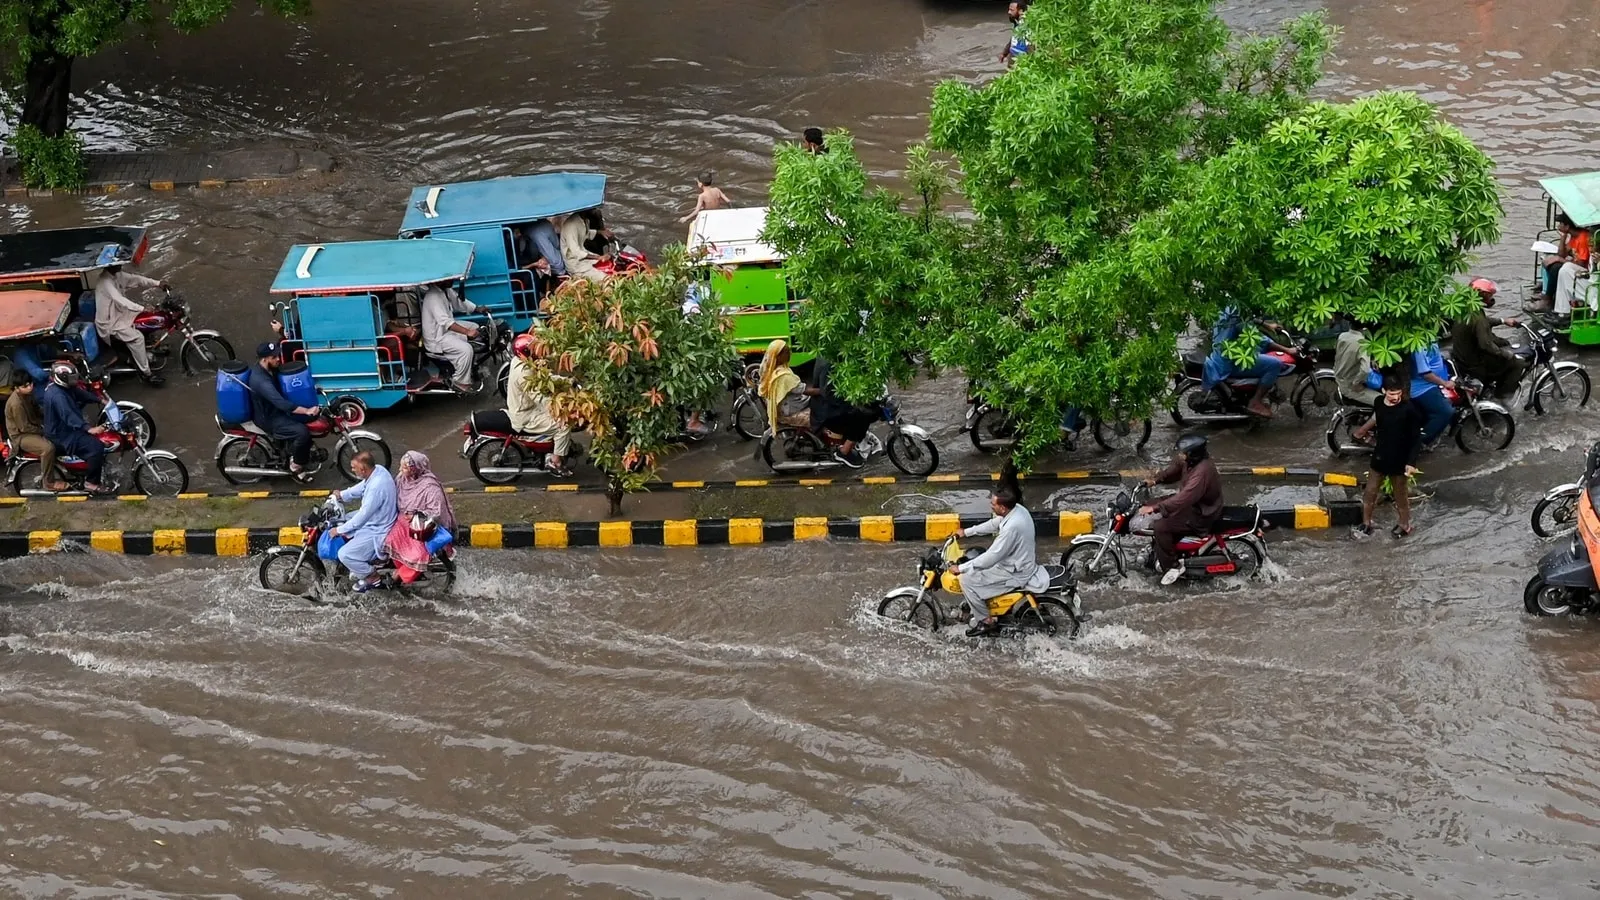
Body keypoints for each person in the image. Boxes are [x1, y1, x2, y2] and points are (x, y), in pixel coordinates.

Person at [951, 484, 1049, 636]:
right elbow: (994, 524)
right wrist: (966, 532)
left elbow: (991, 557)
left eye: (993, 504)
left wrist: (962, 568)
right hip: (1018, 562)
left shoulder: (1012, 528)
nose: (990, 506)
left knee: (967, 580)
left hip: (1014, 572)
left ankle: (986, 621)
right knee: (976, 567)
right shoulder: (1017, 510)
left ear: (1002, 508)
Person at [471, 333, 574, 475]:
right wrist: (562, 405)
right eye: (532, 350)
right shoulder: (524, 374)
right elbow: (540, 397)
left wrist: (566, 381)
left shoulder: (520, 361)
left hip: (527, 408)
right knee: (564, 425)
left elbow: (544, 378)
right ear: (526, 352)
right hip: (526, 416)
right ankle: (555, 462)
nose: (536, 352)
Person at [1141, 434, 1224, 585]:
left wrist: (1156, 508)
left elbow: (1184, 498)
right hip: (1194, 504)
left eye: (1183, 453)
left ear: (1192, 454)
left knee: (1161, 527)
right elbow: (1174, 470)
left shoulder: (1202, 472)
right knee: (1153, 503)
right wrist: (1156, 480)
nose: (1180, 455)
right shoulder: (1191, 462)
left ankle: (1173, 567)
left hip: (1201, 512)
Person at [1351, 375, 1423, 540]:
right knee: (1370, 492)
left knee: (1400, 495)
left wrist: (1411, 463)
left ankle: (1405, 524)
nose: (1395, 397)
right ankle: (1367, 522)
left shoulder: (1409, 409)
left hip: (1399, 459)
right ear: (1384, 391)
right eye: (1391, 394)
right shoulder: (1378, 403)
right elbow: (1378, 421)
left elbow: (1415, 439)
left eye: (1398, 393)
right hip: (1380, 456)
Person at [37, 361, 117, 494]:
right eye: (71, 378)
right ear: (61, 378)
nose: (74, 380)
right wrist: (88, 429)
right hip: (62, 435)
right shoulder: (58, 396)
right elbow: (68, 415)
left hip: (65, 429)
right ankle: (91, 483)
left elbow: (80, 393)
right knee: (96, 447)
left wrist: (100, 400)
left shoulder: (64, 387)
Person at [1201, 308, 1294, 418]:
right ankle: (1255, 401)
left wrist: (1266, 325)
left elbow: (1246, 319)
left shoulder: (1227, 305)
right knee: (1274, 364)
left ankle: (1251, 393)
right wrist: (1287, 350)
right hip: (1230, 359)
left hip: (1223, 352)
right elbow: (1257, 337)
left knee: (1262, 351)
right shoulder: (1235, 312)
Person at [328, 451, 398, 593]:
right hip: (377, 518)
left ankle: (371, 576)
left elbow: (362, 517)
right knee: (346, 519)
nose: (352, 470)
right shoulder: (378, 470)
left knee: (345, 554)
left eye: (354, 467)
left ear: (363, 469)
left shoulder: (376, 488)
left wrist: (339, 530)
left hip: (378, 528)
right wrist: (342, 495)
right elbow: (362, 487)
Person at [250, 342, 320, 482]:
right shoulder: (261, 381)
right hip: (269, 418)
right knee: (301, 432)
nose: (278, 359)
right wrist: (306, 411)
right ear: (264, 359)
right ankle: (295, 466)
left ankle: (295, 451)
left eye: (278, 355)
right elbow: (281, 403)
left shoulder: (271, 370)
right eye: (274, 357)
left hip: (275, 410)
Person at [384, 451, 458, 582]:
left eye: (405, 467)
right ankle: (402, 571)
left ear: (415, 469)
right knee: (390, 540)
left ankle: (399, 576)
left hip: (422, 526)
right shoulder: (402, 479)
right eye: (401, 466)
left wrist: (414, 516)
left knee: (418, 554)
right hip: (403, 522)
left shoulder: (430, 487)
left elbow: (436, 512)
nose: (401, 470)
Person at [1450, 278, 1526, 399]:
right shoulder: (1477, 317)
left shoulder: (1465, 309)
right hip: (1475, 363)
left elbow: (1484, 323)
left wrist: (1502, 321)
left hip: (1462, 356)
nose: (1492, 298)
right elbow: (1485, 345)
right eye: (1490, 295)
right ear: (1482, 295)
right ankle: (1503, 397)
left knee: (1504, 342)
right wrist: (1507, 355)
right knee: (1518, 363)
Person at [92, 262, 166, 386]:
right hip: (110, 324)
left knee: (147, 321)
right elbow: (121, 301)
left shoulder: (117, 275)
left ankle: (146, 349)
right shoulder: (106, 282)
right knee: (138, 338)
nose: (121, 265)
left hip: (121, 314)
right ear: (110, 265)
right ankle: (146, 373)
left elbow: (135, 279)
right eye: (118, 263)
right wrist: (143, 308)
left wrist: (158, 283)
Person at [809, 356, 876, 469]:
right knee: (863, 415)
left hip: (829, 405)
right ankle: (844, 452)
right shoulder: (829, 364)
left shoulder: (831, 357)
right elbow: (829, 394)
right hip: (827, 411)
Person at [5, 372, 63, 491]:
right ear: (16, 388)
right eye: (25, 386)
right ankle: (48, 483)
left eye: (30, 384)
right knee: (48, 448)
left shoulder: (28, 395)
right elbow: (24, 427)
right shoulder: (16, 404)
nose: (29, 387)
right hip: (21, 436)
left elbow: (38, 410)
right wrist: (44, 430)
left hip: (34, 426)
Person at [420, 280, 481, 391]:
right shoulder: (433, 297)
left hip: (444, 331)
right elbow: (446, 322)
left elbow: (459, 301)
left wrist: (477, 308)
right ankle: (460, 381)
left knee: (474, 326)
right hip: (437, 339)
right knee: (467, 350)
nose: (453, 280)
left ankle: (469, 366)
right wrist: (467, 332)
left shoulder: (445, 290)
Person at [1407, 342, 1454, 448]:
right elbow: (1425, 374)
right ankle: (1420, 442)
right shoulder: (1419, 345)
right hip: (1422, 388)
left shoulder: (1430, 338)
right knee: (1445, 412)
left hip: (1431, 384)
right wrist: (1445, 383)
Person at [758, 339, 810, 431]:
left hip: (782, 406)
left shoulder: (769, 370)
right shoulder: (784, 376)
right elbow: (803, 390)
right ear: (778, 356)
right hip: (789, 408)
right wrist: (822, 391)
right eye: (786, 352)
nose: (790, 353)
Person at [1333, 320, 1381, 408]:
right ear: (1365, 328)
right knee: (1383, 402)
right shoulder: (1362, 343)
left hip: (1340, 379)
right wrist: (1356, 383)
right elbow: (1365, 370)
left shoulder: (1342, 336)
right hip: (1351, 386)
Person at [560, 209, 611, 283]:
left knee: (607, 264)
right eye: (593, 209)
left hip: (583, 254)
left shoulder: (585, 220)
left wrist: (601, 232)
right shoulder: (571, 225)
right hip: (575, 263)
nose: (595, 211)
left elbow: (585, 233)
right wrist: (598, 257)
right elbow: (576, 252)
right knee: (606, 279)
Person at [1000, 1, 1032, 66]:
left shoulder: (1027, 25)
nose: (1009, 12)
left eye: (1012, 10)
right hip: (1013, 56)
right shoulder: (1017, 22)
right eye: (1009, 9)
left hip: (1021, 59)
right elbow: (1013, 39)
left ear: (1020, 11)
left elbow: (1030, 46)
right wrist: (1004, 53)